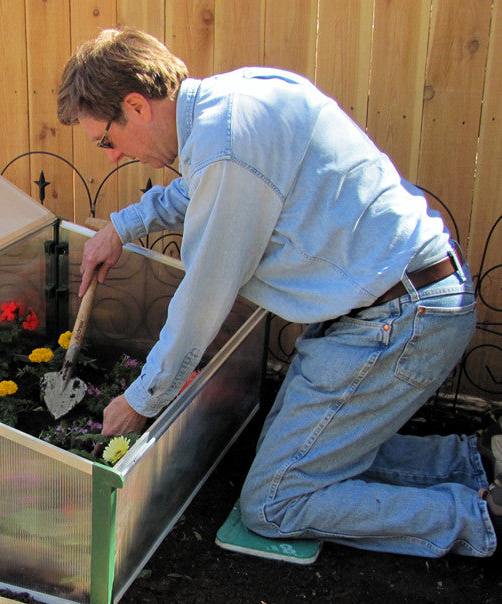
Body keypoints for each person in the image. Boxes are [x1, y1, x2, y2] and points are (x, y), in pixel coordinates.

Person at [57, 27, 500, 558]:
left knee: (274, 501)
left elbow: (202, 299)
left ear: (136, 106)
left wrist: (142, 399)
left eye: (106, 140)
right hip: (398, 301)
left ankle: (481, 515)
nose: (110, 156)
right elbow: (198, 191)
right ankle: (479, 463)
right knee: (307, 452)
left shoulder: (226, 151)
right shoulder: (234, 102)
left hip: (401, 320)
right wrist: (120, 228)